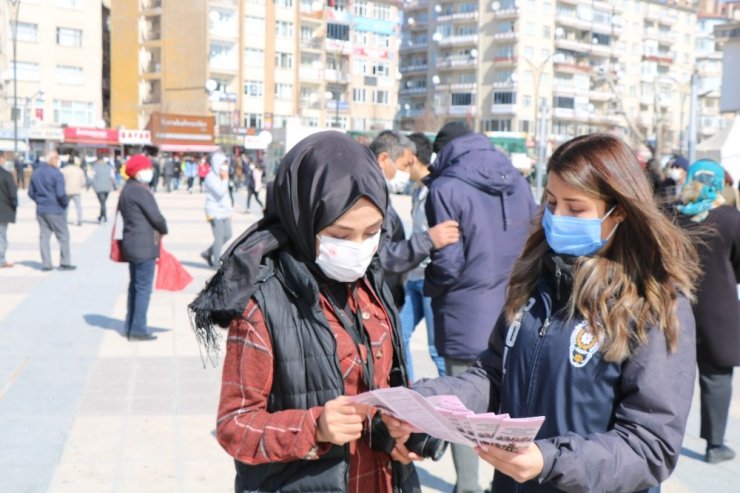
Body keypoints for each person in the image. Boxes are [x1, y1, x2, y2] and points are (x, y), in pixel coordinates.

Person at [384, 133, 700, 493]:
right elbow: (492, 376)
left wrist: (549, 460)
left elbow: (650, 446)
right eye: (551, 202)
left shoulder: (654, 303)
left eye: (575, 208)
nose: (557, 217)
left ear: (620, 211)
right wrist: (428, 403)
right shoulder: (535, 278)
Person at [189, 131, 420, 493]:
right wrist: (315, 427)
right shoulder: (264, 304)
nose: (358, 249)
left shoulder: (372, 285)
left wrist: (399, 429)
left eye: (372, 231)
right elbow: (234, 427)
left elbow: (381, 390)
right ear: (304, 221)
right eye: (340, 236)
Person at [424, 121, 536, 493]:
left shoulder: (444, 187)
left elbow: (449, 262)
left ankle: (468, 487)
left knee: (460, 409)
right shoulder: (518, 181)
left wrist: (432, 287)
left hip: (464, 312)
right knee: (511, 403)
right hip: (517, 311)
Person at [674, 160, 740, 465]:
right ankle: (715, 445)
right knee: (716, 378)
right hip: (719, 312)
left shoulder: (673, 216)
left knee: (670, 378)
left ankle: (664, 439)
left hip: (675, 308)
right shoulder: (730, 218)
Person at [369, 130, 460, 309]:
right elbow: (380, 256)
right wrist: (428, 240)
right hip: (383, 291)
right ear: (383, 159)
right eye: (404, 165)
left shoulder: (381, 194)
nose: (406, 172)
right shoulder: (370, 198)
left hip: (411, 280)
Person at [398, 132, 446, 381]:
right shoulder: (417, 192)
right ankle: (407, 392)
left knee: (435, 348)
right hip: (413, 277)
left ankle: (452, 402)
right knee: (399, 334)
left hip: (430, 279)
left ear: (413, 157)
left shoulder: (437, 191)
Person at [118, 154, 168, 341]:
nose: (150, 171)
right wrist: (164, 228)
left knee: (135, 287)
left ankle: (130, 325)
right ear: (138, 172)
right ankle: (138, 329)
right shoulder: (140, 191)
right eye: (146, 168)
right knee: (142, 289)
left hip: (131, 244)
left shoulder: (127, 189)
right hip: (143, 246)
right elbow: (156, 217)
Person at [28, 151, 75, 272]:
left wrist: (39, 200)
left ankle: (46, 264)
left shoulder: (36, 173)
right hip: (55, 208)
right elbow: (60, 194)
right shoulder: (56, 174)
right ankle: (65, 263)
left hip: (41, 209)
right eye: (56, 159)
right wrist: (64, 203)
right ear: (51, 159)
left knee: (44, 237)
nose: (58, 161)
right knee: (63, 236)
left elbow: (31, 193)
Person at [200, 152, 232, 268]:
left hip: (224, 212)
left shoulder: (222, 176)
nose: (225, 166)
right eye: (223, 163)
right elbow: (220, 192)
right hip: (214, 212)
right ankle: (217, 264)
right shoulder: (210, 177)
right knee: (219, 238)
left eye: (226, 163)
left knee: (228, 234)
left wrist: (229, 212)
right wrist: (225, 179)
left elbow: (226, 196)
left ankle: (208, 253)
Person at [0, 153, 18, 268]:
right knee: (1, 235)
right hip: (3, 210)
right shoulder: (6, 175)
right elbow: (12, 194)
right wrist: (14, 206)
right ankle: (1, 259)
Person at [60, 160, 86, 226]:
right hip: (77, 190)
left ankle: (64, 220)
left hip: (66, 190)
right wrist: (81, 186)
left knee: (66, 206)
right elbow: (83, 181)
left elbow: (60, 181)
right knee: (78, 206)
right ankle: (80, 220)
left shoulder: (63, 170)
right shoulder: (79, 170)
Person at [91, 158, 116, 223]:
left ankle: (104, 217)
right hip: (107, 187)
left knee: (102, 203)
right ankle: (101, 216)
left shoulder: (95, 166)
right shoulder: (109, 167)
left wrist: (92, 185)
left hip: (98, 187)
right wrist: (114, 186)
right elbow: (112, 177)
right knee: (103, 202)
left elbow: (92, 177)